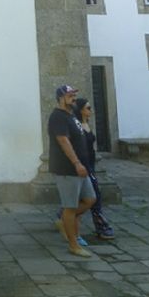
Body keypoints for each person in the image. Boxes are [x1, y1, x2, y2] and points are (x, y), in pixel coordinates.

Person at [48, 84, 96, 258]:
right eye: (70, 95)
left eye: (74, 95)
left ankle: (64, 222)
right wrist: (76, 163)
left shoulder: (70, 115)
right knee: (70, 207)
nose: (74, 98)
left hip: (80, 169)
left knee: (90, 199)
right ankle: (73, 245)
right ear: (61, 98)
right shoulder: (58, 117)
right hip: (67, 169)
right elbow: (63, 140)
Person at [71, 97, 115, 240]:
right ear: (81, 110)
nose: (91, 110)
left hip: (91, 164)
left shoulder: (86, 123)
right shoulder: (77, 126)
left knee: (83, 195)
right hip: (84, 165)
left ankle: (63, 215)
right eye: (88, 108)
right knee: (94, 194)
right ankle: (101, 225)